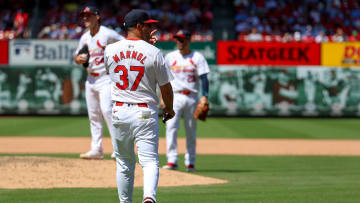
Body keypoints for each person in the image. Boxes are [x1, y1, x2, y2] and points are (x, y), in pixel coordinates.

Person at [104, 9, 175, 203]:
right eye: (148, 25)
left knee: (124, 163)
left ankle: (125, 202)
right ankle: (149, 198)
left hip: (118, 111)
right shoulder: (154, 52)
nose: (152, 28)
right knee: (149, 161)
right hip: (144, 110)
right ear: (139, 26)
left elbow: (115, 69)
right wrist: (169, 108)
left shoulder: (110, 50)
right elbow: (166, 88)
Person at [74, 6, 124, 159]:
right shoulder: (85, 37)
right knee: (94, 115)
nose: (85, 19)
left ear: (97, 17)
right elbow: (77, 56)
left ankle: (119, 148)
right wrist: (78, 59)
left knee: (108, 111)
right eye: (84, 16)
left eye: (88, 16)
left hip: (106, 77)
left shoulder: (108, 34)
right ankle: (97, 149)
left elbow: (125, 44)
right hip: (91, 79)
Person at [161, 29, 210, 172]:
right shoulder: (170, 57)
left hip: (192, 97)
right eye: (177, 39)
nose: (179, 41)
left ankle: (191, 162)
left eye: (182, 39)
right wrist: (163, 98)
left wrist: (205, 95)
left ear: (189, 40)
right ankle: (172, 161)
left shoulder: (197, 57)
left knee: (190, 130)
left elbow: (204, 78)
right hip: (174, 97)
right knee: (171, 128)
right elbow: (163, 79)